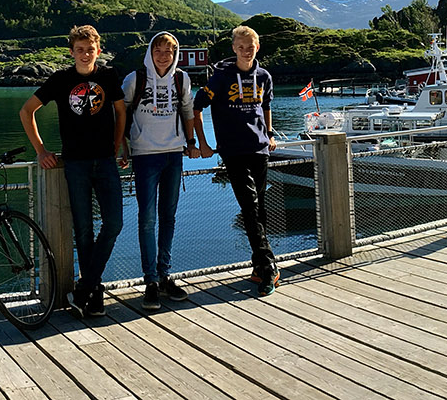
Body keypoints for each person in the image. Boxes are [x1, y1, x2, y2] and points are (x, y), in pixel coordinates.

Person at [20, 25, 125, 317]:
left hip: (105, 162)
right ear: (72, 52)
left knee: (114, 223)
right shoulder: (60, 79)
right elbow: (26, 111)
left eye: (90, 49)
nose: (85, 54)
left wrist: (117, 145)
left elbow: (120, 112)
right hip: (76, 163)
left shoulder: (108, 76)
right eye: (79, 49)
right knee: (83, 231)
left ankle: (84, 288)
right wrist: (40, 150)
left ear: (98, 51)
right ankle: (94, 293)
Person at [194, 25, 281, 296]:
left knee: (260, 208)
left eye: (250, 46)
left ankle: (258, 267)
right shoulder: (220, 77)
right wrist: (203, 143)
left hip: (259, 149)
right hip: (233, 151)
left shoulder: (264, 77)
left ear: (258, 48)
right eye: (241, 47)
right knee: (249, 205)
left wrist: (269, 134)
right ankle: (269, 268)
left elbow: (265, 106)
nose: (246, 51)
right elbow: (197, 107)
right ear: (234, 48)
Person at [120, 31, 202, 311]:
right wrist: (122, 145)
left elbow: (189, 111)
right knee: (147, 219)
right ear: (150, 52)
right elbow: (121, 112)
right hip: (144, 156)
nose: (163, 55)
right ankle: (150, 281)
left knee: (168, 217)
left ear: (176, 53)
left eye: (169, 50)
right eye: (158, 49)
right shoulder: (135, 80)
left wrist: (191, 143)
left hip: (173, 155)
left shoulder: (182, 79)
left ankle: (165, 275)